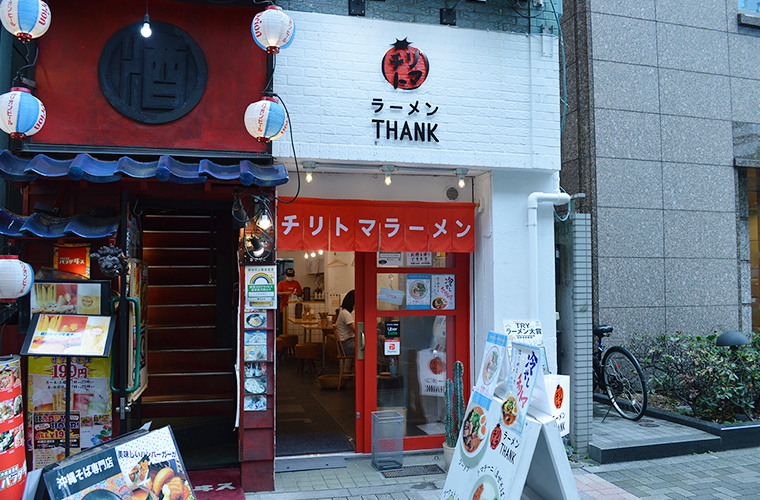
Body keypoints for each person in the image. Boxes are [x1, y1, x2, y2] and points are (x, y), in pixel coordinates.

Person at [277, 268, 302, 335]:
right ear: (285, 275)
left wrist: (297, 293)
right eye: (289, 276)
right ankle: (282, 337)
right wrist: (285, 293)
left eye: (291, 276)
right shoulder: (281, 283)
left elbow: (301, 293)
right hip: (284, 307)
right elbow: (277, 293)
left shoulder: (296, 283)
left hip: (294, 308)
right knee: (282, 325)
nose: (290, 277)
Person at [335, 290, 356, 356]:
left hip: (346, 343)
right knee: (367, 346)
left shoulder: (344, 312)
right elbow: (355, 330)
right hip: (345, 345)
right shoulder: (345, 314)